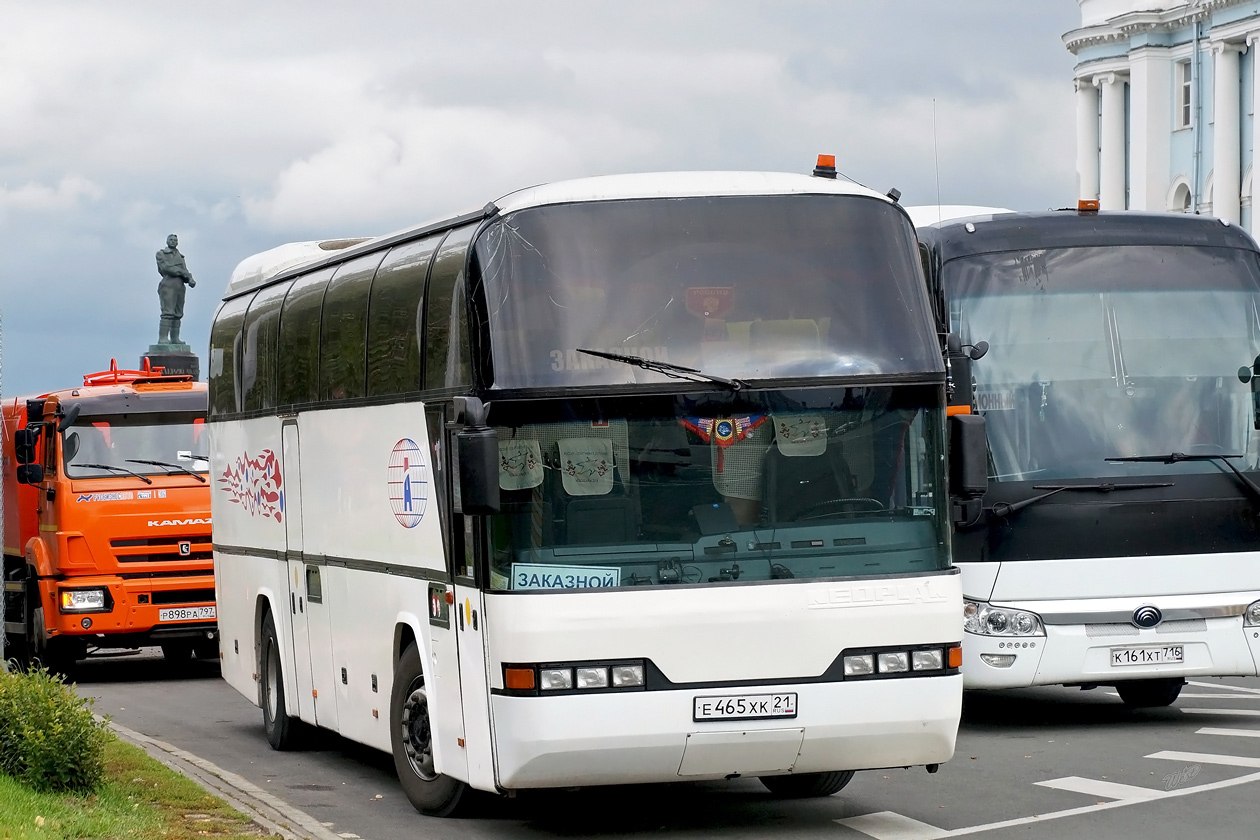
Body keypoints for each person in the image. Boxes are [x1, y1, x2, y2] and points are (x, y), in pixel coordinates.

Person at [156, 234, 196, 345]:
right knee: (167, 312)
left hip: (180, 286)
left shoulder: (180, 256)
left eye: (175, 240)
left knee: (178, 313)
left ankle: (175, 338)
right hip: (168, 285)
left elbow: (185, 270)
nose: (173, 242)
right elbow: (166, 268)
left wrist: (190, 279)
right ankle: (163, 338)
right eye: (171, 240)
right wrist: (183, 272)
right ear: (167, 241)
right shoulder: (161, 254)